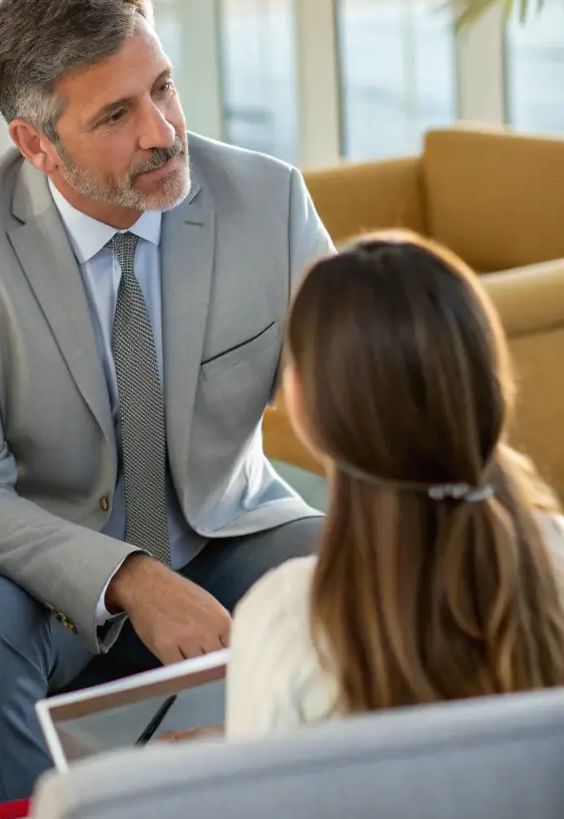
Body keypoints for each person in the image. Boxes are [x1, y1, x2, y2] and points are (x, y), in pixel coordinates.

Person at [0, 0, 333, 806]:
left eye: (163, 88)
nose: (163, 131)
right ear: (35, 144)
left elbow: (359, 391)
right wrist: (132, 578)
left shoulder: (266, 201)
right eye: (118, 115)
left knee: (349, 566)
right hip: (24, 567)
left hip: (219, 535)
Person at [225, 233, 564, 738]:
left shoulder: (288, 623)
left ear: (302, 406)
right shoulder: (553, 555)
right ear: (490, 385)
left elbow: (261, 811)